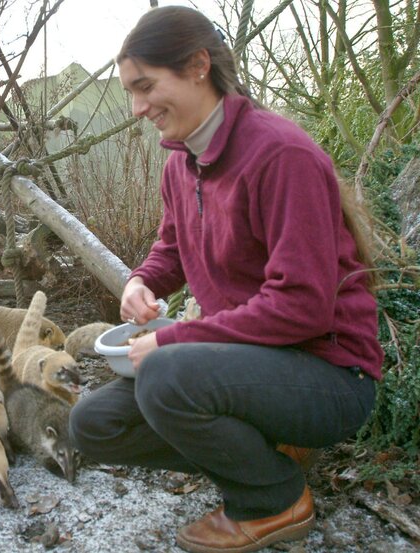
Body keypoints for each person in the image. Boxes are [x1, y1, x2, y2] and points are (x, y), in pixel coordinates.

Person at [68, 6, 383, 553]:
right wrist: (142, 281)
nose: (139, 108)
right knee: (92, 424)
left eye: (145, 87)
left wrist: (171, 339)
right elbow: (172, 246)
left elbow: (302, 307)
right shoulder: (180, 163)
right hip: (247, 368)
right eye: (130, 93)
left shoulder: (280, 154)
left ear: (196, 66)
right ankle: (261, 454)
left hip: (329, 376)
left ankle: (274, 497)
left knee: (165, 374)